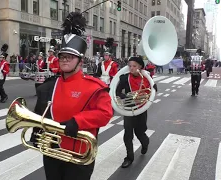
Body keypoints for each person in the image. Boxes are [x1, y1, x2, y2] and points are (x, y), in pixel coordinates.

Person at [29, 12, 113, 180]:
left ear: (80, 62)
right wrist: (36, 131)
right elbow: (42, 111)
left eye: (70, 57)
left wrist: (78, 121)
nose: (64, 60)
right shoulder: (50, 85)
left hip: (78, 154)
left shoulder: (94, 87)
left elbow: (105, 114)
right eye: (62, 56)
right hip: (52, 151)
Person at [116, 56, 157, 168]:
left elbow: (151, 92)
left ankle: (145, 142)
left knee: (139, 132)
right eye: (130, 66)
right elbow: (117, 91)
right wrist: (124, 96)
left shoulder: (146, 78)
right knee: (128, 133)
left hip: (141, 108)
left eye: (134, 66)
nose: (131, 68)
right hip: (129, 108)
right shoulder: (125, 78)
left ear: (140, 67)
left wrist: (154, 88)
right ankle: (129, 157)